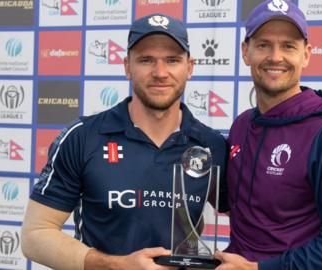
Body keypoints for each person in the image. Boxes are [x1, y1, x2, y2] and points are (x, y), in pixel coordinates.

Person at [21, 13, 227, 270]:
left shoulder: (212, 145)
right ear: (127, 66)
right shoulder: (83, 137)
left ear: (190, 67)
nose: (160, 72)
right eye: (146, 60)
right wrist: (116, 265)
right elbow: (35, 235)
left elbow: (259, 221)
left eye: (172, 60)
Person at [215, 0, 322, 269]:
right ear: (246, 52)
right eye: (264, 44)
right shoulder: (241, 126)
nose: (276, 57)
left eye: (288, 46)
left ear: (306, 55)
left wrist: (258, 269)